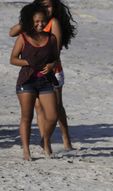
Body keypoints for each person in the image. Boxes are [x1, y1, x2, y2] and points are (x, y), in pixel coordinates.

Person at [9, 0, 77, 150]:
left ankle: (66, 138)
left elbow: (56, 49)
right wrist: (26, 21)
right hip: (34, 73)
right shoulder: (33, 22)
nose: (47, 8)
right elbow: (11, 32)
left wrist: (51, 65)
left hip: (53, 70)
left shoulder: (53, 22)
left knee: (57, 107)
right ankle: (46, 143)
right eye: (44, 5)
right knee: (39, 108)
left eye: (49, 5)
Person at [10, 3, 59, 160]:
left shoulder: (51, 38)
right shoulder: (23, 37)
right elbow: (12, 59)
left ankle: (45, 140)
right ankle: (26, 151)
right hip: (26, 81)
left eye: (43, 21)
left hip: (45, 81)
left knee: (52, 116)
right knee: (27, 117)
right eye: (37, 21)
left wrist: (51, 65)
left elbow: (55, 58)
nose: (40, 24)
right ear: (30, 21)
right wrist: (28, 62)